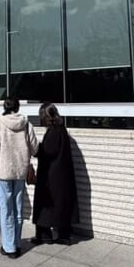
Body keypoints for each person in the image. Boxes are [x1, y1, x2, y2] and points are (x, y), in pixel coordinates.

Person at [0, 97, 39, 258]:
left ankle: (9, 247)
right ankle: (16, 243)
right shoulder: (26, 124)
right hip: (20, 172)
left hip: (4, 172)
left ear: (5, 107)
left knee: (6, 210)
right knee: (18, 208)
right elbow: (35, 148)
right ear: (18, 107)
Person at [32, 103, 78, 246]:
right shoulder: (61, 129)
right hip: (62, 175)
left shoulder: (53, 132)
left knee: (45, 205)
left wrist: (36, 149)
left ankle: (44, 235)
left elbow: (48, 152)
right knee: (61, 204)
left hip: (50, 176)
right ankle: (64, 234)